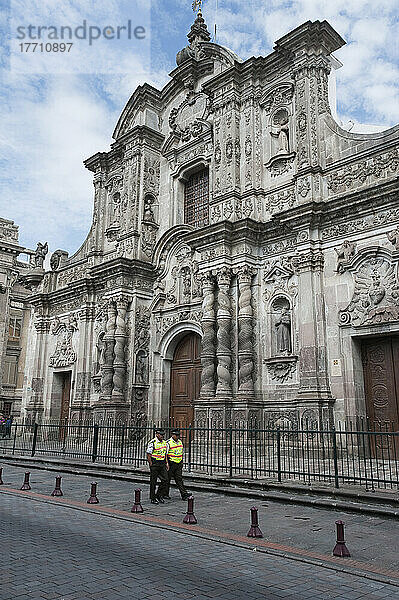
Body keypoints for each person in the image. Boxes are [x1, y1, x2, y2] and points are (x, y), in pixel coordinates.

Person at [164, 429, 190, 500]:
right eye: (176, 435)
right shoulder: (168, 443)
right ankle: (165, 494)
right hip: (171, 463)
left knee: (179, 479)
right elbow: (165, 454)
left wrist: (181, 461)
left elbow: (181, 452)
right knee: (167, 479)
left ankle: (184, 494)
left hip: (178, 464)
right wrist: (167, 463)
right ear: (172, 435)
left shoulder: (180, 442)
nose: (178, 437)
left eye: (179, 435)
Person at [146, 428, 169, 505]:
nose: (162, 436)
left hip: (162, 463)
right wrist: (150, 464)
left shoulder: (165, 443)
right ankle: (153, 498)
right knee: (153, 482)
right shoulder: (153, 442)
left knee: (165, 480)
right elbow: (149, 454)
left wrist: (166, 463)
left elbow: (165, 453)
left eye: (163, 434)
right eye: (161, 434)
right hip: (155, 463)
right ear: (156, 434)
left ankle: (159, 495)